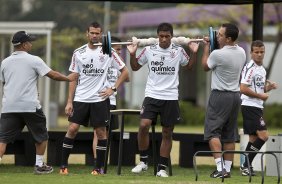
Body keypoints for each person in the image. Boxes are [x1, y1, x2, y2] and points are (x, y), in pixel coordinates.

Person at [127, 22, 199, 177]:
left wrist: (194, 52)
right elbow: (134, 67)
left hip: (171, 97)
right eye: (161, 36)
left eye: (167, 36)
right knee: (144, 125)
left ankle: (161, 168)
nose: (164, 39)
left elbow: (190, 66)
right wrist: (132, 54)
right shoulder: (148, 50)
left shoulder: (178, 50)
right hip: (152, 95)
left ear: (171, 37)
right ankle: (144, 161)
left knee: (167, 132)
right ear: (157, 36)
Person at [0, 31, 76, 174]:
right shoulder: (34, 60)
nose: (31, 44)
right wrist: (68, 78)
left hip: (9, 107)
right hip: (29, 106)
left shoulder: (4, 62)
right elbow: (52, 74)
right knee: (41, 136)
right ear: (23, 45)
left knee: (2, 139)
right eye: (29, 42)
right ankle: (39, 165)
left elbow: (6, 83)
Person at [59, 22, 129, 175]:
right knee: (72, 129)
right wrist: (69, 101)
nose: (95, 36)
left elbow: (125, 72)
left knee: (101, 133)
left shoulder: (108, 51)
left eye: (97, 33)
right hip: (81, 99)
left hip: (99, 100)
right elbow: (73, 78)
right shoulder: (78, 52)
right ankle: (63, 166)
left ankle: (98, 168)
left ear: (101, 34)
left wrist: (113, 88)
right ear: (87, 33)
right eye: (92, 33)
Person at [201, 23, 246, 178]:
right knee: (230, 134)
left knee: (212, 131)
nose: (217, 37)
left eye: (220, 35)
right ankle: (226, 170)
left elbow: (205, 66)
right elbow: (228, 50)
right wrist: (215, 42)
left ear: (228, 38)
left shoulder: (217, 55)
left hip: (220, 96)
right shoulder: (242, 52)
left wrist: (207, 46)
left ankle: (220, 169)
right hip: (235, 96)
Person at [240, 40, 277, 176]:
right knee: (264, 136)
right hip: (250, 106)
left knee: (253, 138)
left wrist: (269, 88)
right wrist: (261, 96)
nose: (259, 55)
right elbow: (243, 88)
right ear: (251, 53)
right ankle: (246, 165)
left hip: (256, 106)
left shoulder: (262, 69)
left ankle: (246, 167)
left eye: (262, 52)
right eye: (256, 52)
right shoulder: (250, 68)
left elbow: (259, 89)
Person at [92, 36, 129, 167]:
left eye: (120, 50)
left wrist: (120, 62)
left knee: (106, 133)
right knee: (98, 132)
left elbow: (128, 78)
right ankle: (98, 162)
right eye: (117, 49)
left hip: (112, 102)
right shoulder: (101, 60)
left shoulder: (116, 65)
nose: (119, 52)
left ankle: (102, 162)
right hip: (100, 100)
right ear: (111, 48)